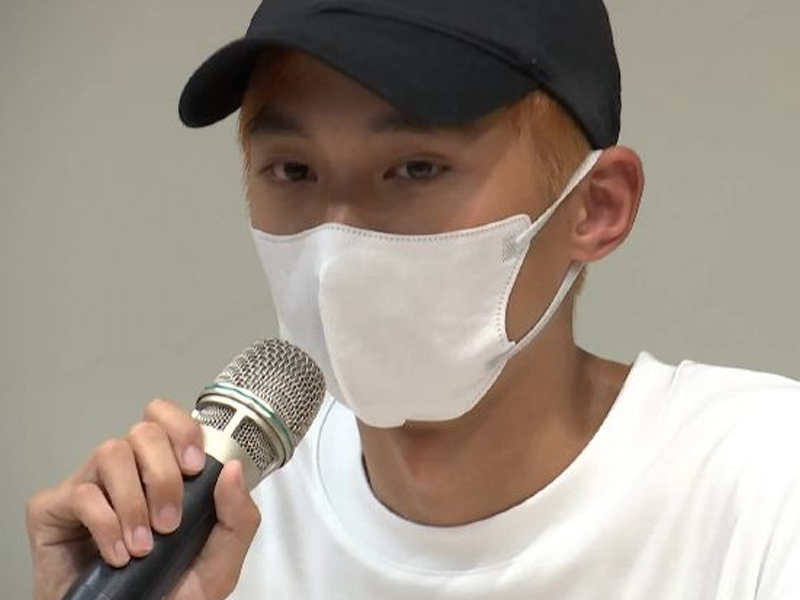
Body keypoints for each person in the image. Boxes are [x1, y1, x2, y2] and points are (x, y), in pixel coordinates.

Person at [25, 0, 800, 599]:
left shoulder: (762, 485)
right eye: (292, 170)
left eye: (417, 168)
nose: (338, 240)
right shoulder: (215, 527)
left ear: (596, 206)